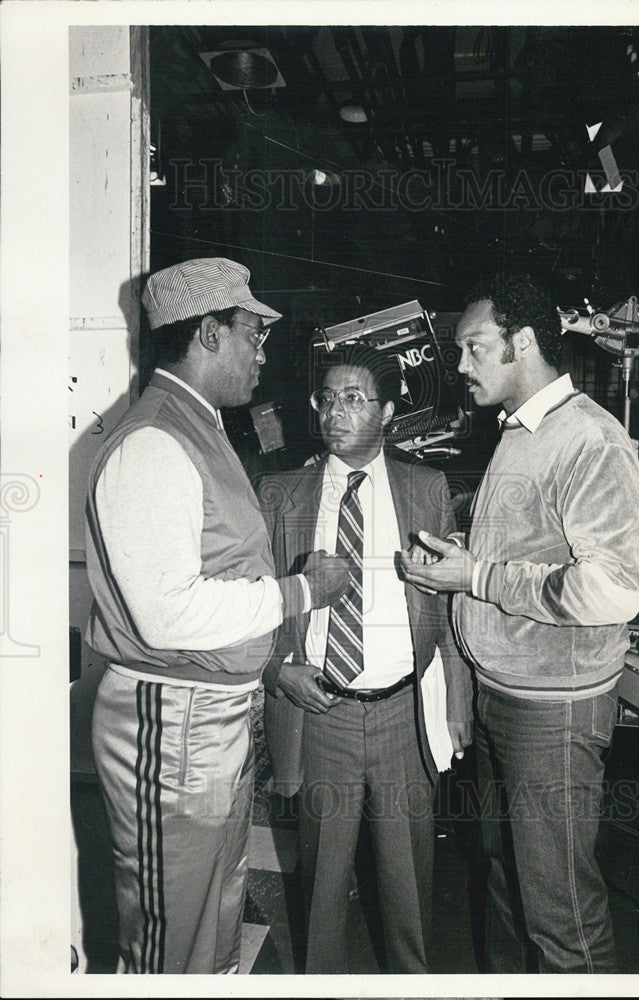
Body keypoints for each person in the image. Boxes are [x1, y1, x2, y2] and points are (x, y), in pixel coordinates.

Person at [84, 258, 349, 974]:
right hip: (173, 725)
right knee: (173, 934)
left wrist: (266, 665)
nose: (262, 351)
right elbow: (167, 615)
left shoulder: (201, 431)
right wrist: (302, 592)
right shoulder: (154, 444)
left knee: (212, 915)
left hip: (207, 719)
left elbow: (214, 579)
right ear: (207, 334)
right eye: (252, 335)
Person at [400, 272, 639, 974]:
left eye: (475, 348)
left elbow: (612, 589)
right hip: (504, 699)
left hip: (555, 714)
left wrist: (475, 577)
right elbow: (529, 552)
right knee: (510, 887)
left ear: (526, 342)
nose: (459, 366)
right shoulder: (522, 432)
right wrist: (467, 562)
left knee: (560, 911)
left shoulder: (590, 440)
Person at [257, 343, 473, 973]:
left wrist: (456, 705)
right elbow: (254, 603)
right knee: (321, 885)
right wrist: (277, 668)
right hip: (320, 711)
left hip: (403, 715)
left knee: (409, 886)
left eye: (353, 398)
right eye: (326, 398)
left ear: (386, 409)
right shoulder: (282, 494)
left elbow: (449, 603)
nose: (334, 411)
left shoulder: (426, 489)